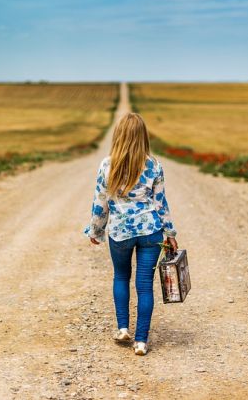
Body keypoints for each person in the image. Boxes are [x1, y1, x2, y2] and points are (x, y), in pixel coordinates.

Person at [84, 112, 177, 356]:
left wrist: (96, 230)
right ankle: (141, 342)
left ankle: (123, 328)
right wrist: (170, 232)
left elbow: (100, 203)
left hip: (120, 232)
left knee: (121, 276)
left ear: (119, 136)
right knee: (145, 286)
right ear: (143, 137)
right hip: (150, 231)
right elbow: (161, 203)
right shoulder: (154, 165)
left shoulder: (107, 165)